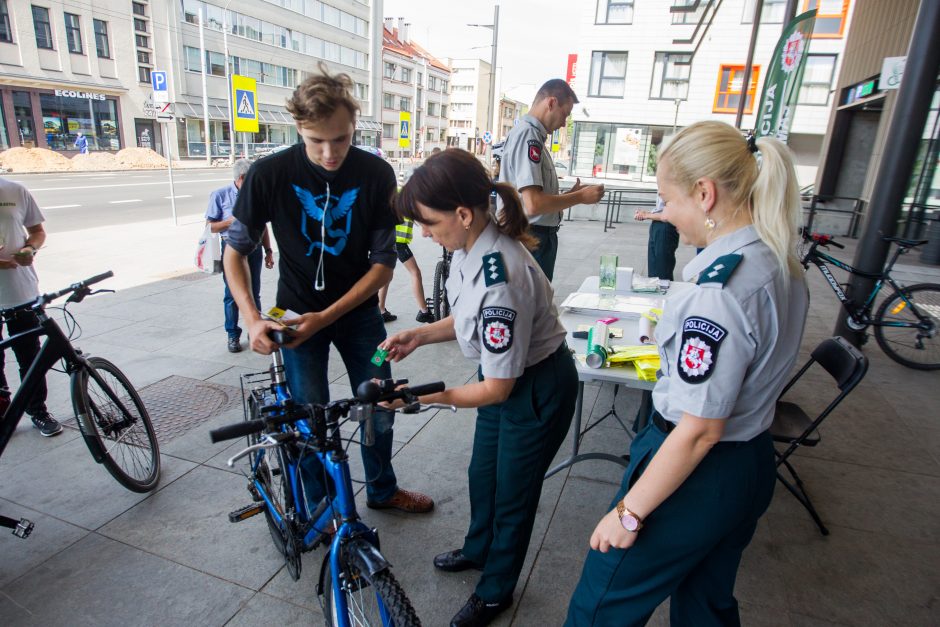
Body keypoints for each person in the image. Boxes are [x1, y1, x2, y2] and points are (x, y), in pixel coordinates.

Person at [565, 121, 809, 626]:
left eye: (667, 200)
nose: (665, 215)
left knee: (601, 606)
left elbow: (699, 430)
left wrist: (629, 512)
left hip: (695, 472)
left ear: (705, 193)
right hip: (749, 461)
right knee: (706, 605)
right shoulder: (775, 258)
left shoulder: (717, 291)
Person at [381, 149, 578, 627]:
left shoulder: (501, 275)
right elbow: (470, 319)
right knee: (482, 474)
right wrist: (421, 333)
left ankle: (496, 591)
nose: (424, 233)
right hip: (506, 378)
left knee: (513, 494)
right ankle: (477, 549)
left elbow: (496, 390)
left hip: (532, 390)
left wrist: (422, 397)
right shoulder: (472, 249)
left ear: (464, 215)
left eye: (428, 222)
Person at [223, 65, 433, 514]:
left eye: (341, 138)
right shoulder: (269, 174)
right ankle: (319, 506)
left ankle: (381, 489)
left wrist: (328, 316)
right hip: (295, 319)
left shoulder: (376, 174)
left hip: (361, 319)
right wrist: (249, 315)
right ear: (298, 128)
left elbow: (382, 267)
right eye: (316, 140)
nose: (330, 151)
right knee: (309, 415)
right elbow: (234, 252)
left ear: (353, 125)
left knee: (381, 399)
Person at [500, 79, 605, 281]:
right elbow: (533, 204)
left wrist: (570, 195)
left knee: (537, 303)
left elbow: (531, 200)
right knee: (534, 305)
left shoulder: (534, 137)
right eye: (565, 114)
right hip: (531, 236)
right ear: (551, 103)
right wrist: (580, 196)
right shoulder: (528, 136)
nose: (565, 122)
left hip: (536, 236)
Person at [0, 177, 62, 437]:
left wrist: (30, 248)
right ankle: (3, 414)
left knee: (31, 357)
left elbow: (37, 231)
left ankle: (38, 411)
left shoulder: (15, 190)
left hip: (20, 291)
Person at [205, 159, 274, 352]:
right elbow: (209, 226)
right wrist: (232, 221)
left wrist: (268, 251)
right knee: (232, 294)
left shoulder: (255, 195)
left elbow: (263, 226)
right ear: (243, 178)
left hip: (255, 248)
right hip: (232, 249)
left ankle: (256, 330)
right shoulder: (220, 195)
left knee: (255, 292)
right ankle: (232, 335)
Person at [377, 218, 434, 324]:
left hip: (388, 240)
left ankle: (381, 311)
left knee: (388, 275)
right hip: (398, 242)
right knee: (415, 273)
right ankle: (424, 312)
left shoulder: (394, 201)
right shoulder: (406, 202)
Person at [635, 195, 680, 281]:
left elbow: (670, 214)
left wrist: (646, 215)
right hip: (657, 224)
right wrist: (648, 214)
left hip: (665, 226)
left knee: (662, 274)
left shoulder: (671, 184)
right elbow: (661, 209)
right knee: (654, 274)